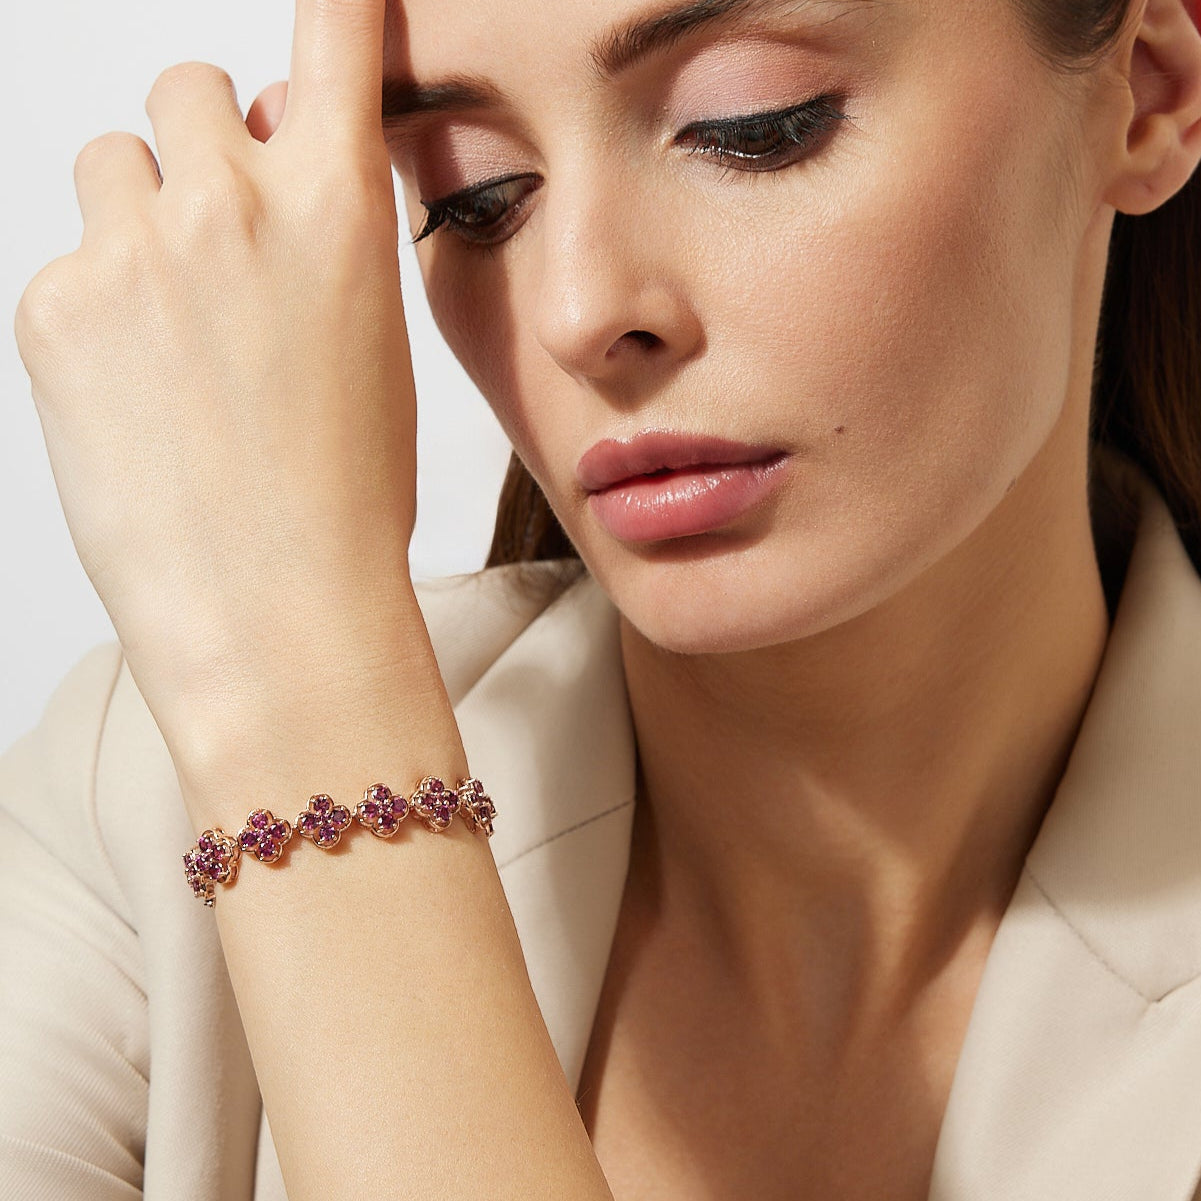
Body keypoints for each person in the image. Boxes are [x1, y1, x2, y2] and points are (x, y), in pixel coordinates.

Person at [3, 0, 1200, 1196]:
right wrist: (295, 670)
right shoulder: (150, 799)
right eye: (473, 196)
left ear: (1148, 88)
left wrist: (330, 775)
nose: (577, 312)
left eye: (754, 128)